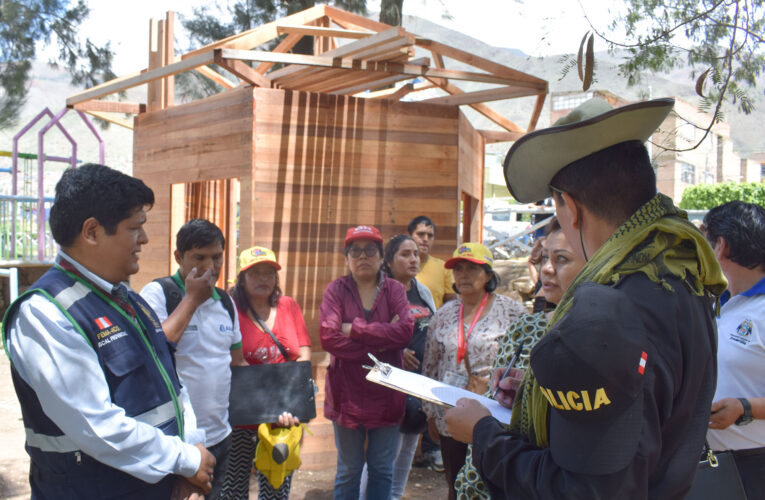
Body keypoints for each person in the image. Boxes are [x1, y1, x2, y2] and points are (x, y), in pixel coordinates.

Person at [444, 98, 727, 498]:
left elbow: (585, 489)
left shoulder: (605, 314)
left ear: (570, 208)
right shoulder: (684, 276)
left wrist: (482, 433)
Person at [2, 164, 215, 499]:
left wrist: (190, 460)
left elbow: (173, 387)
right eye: (135, 228)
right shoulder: (45, 313)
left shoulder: (129, 301)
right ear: (91, 232)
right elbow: (96, 425)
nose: (144, 239)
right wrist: (185, 460)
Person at [454, 218, 587, 499]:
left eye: (561, 259)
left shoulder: (598, 338)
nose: (547, 269)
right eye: (544, 258)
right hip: (496, 468)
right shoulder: (526, 328)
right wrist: (521, 396)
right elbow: (495, 408)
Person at [140, 219, 245, 499]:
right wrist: (193, 299)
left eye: (216, 257)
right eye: (199, 257)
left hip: (221, 436)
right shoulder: (157, 294)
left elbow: (236, 363)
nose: (210, 267)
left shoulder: (226, 302)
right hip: (178, 443)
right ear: (179, 257)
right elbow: (154, 353)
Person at [421, 242, 526, 500]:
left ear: (489, 275)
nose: (463, 275)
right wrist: (430, 413)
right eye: (458, 269)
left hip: (493, 414)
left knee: (493, 482)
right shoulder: (443, 315)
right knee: (456, 483)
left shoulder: (513, 312)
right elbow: (430, 367)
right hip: (451, 413)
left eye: (472, 269)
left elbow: (525, 356)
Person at [319, 225, 414, 500]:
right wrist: (381, 343)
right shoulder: (335, 290)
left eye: (370, 250)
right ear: (346, 257)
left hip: (387, 393)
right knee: (348, 469)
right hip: (345, 395)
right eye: (355, 251)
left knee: (382, 469)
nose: (363, 257)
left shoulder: (395, 289)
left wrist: (355, 329)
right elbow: (328, 337)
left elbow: (405, 332)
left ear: (381, 256)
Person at [220, 246, 311, 499]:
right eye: (255, 273)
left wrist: (294, 401)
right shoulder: (230, 310)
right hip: (241, 419)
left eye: (269, 273)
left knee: (276, 489)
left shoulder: (289, 306)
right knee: (233, 490)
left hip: (282, 420)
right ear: (242, 278)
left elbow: (303, 354)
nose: (263, 279)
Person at [359, 234, 437, 500]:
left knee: (406, 451)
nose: (414, 259)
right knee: (384, 456)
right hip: (388, 384)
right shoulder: (377, 294)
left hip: (418, 385)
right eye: (405, 254)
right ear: (389, 262)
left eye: (416, 253)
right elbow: (363, 336)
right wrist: (396, 351)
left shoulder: (422, 292)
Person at [704, 201, 765, 498]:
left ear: (720, 246)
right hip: (712, 460)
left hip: (753, 466)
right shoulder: (720, 300)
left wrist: (745, 408)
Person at [408, 215, 456, 308]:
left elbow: (452, 306)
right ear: (410, 236)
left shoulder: (443, 268)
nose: (425, 239)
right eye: (420, 234)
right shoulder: (398, 265)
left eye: (430, 235)